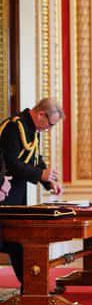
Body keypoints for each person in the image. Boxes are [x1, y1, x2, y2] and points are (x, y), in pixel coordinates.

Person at [0, 97, 64, 289]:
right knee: (11, 241)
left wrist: (49, 182)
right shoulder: (14, 127)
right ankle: (31, 286)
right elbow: (11, 164)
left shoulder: (32, 130)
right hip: (4, 190)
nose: (49, 129)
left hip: (17, 193)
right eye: (50, 124)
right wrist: (41, 175)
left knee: (19, 240)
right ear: (41, 114)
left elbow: (35, 158)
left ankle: (32, 287)